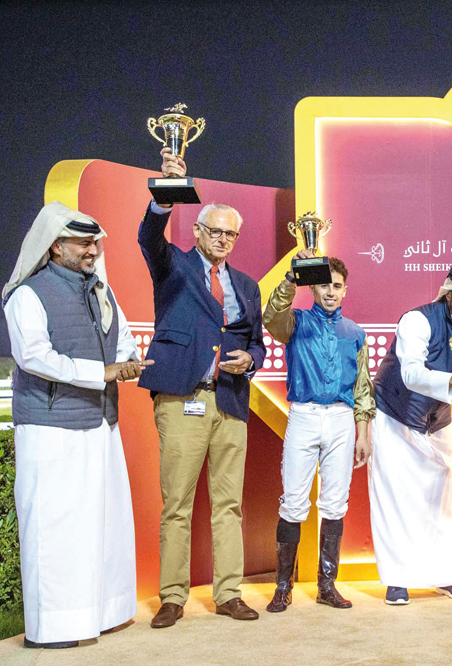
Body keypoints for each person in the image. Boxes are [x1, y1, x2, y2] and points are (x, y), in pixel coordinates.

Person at [3, 202, 151, 649]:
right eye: (84, 243)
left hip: (100, 424)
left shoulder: (102, 291)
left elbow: (122, 339)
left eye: (95, 243)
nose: (92, 251)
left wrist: (127, 362)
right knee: (56, 527)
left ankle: (102, 614)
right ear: (55, 246)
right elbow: (33, 356)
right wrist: (102, 373)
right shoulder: (27, 293)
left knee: (102, 525)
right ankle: (53, 629)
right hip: (52, 430)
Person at [139, 147, 266, 627]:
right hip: (182, 398)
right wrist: (166, 192)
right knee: (177, 503)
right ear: (197, 232)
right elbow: (149, 235)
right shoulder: (172, 266)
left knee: (229, 504)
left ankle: (228, 593)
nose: (223, 240)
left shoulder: (248, 287)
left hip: (231, 402)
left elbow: (257, 344)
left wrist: (249, 359)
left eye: (231, 234)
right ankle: (172, 596)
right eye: (215, 231)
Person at [261, 250, 375, 612]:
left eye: (337, 286)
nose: (331, 291)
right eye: (325, 284)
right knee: (293, 501)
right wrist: (292, 278)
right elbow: (270, 317)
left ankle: (328, 585)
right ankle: (283, 585)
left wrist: (364, 432)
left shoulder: (355, 333)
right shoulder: (294, 322)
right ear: (314, 287)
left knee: (335, 502)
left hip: (342, 418)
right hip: (305, 415)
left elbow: (362, 387)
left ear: (345, 290)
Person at [368, 267, 452, 605]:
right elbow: (410, 373)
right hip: (395, 414)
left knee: (443, 497)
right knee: (394, 499)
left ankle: (445, 575)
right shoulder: (416, 320)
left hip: (438, 419)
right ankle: (397, 579)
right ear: (448, 294)